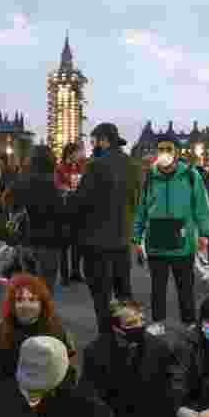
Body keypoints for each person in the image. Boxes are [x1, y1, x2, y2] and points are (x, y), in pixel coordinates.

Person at [79, 299, 176, 417]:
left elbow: (168, 386)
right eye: (132, 323)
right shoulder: (95, 351)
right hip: (113, 414)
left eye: (142, 321)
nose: (140, 326)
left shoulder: (159, 348)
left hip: (146, 413)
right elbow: (88, 391)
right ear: (116, 328)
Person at [132, 137, 209, 335]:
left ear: (176, 152)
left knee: (185, 286)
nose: (164, 153)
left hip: (183, 242)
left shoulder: (191, 176)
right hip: (156, 240)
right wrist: (136, 236)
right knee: (157, 286)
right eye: (161, 149)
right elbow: (141, 208)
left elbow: (202, 205)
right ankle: (158, 321)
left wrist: (205, 233)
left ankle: (189, 322)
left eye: (168, 149)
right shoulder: (150, 177)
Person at [68, 123, 137, 334]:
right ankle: (131, 334)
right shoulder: (132, 165)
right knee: (124, 294)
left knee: (102, 297)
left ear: (104, 140)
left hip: (97, 244)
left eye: (94, 141)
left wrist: (70, 196)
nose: (92, 146)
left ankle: (107, 340)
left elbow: (80, 202)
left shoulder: (96, 165)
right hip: (123, 240)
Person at [0, 273, 78, 393]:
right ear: (12, 304)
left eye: (32, 300)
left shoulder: (56, 331)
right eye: (19, 300)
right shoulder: (1, 331)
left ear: (42, 304)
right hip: (11, 398)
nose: (26, 305)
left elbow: (68, 375)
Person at [6, 145, 65, 291]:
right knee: (46, 290)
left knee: (30, 289)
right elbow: (64, 212)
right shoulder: (55, 183)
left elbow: (6, 199)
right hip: (51, 242)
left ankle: (32, 312)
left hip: (27, 241)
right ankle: (43, 312)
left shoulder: (24, 180)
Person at [55, 143, 85, 285]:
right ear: (70, 153)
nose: (79, 155)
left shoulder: (80, 167)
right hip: (64, 209)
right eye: (77, 153)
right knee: (63, 244)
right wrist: (65, 189)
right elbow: (57, 186)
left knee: (77, 243)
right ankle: (64, 275)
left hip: (78, 209)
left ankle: (75, 272)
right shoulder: (60, 168)